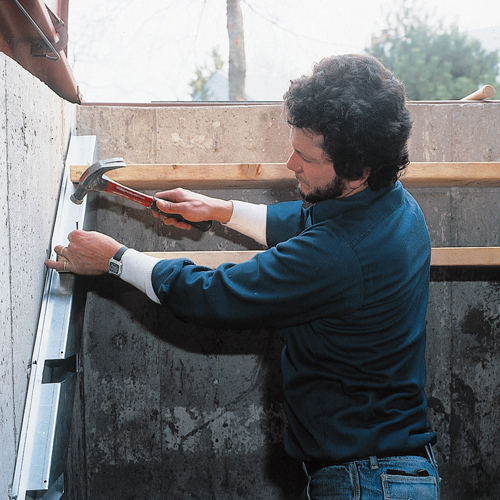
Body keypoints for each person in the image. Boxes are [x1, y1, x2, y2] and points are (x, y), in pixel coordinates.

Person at [46, 54, 440, 499]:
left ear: (358, 169)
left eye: (307, 158)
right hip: (385, 472)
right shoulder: (395, 206)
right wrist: (219, 210)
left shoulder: (339, 254)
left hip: (366, 482)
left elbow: (216, 295)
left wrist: (115, 259)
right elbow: (311, 224)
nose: (291, 163)